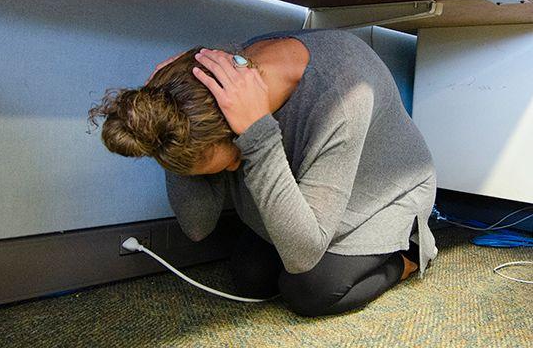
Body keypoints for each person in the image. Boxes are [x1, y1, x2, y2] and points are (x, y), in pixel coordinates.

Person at [87, 28, 438, 317]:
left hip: (380, 196)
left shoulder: (344, 94)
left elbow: (302, 256)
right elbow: (197, 227)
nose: (235, 171)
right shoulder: (214, 78)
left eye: (230, 163)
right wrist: (170, 119)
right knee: (250, 276)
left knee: (310, 289)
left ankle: (404, 258)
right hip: (310, 194)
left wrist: (259, 135)